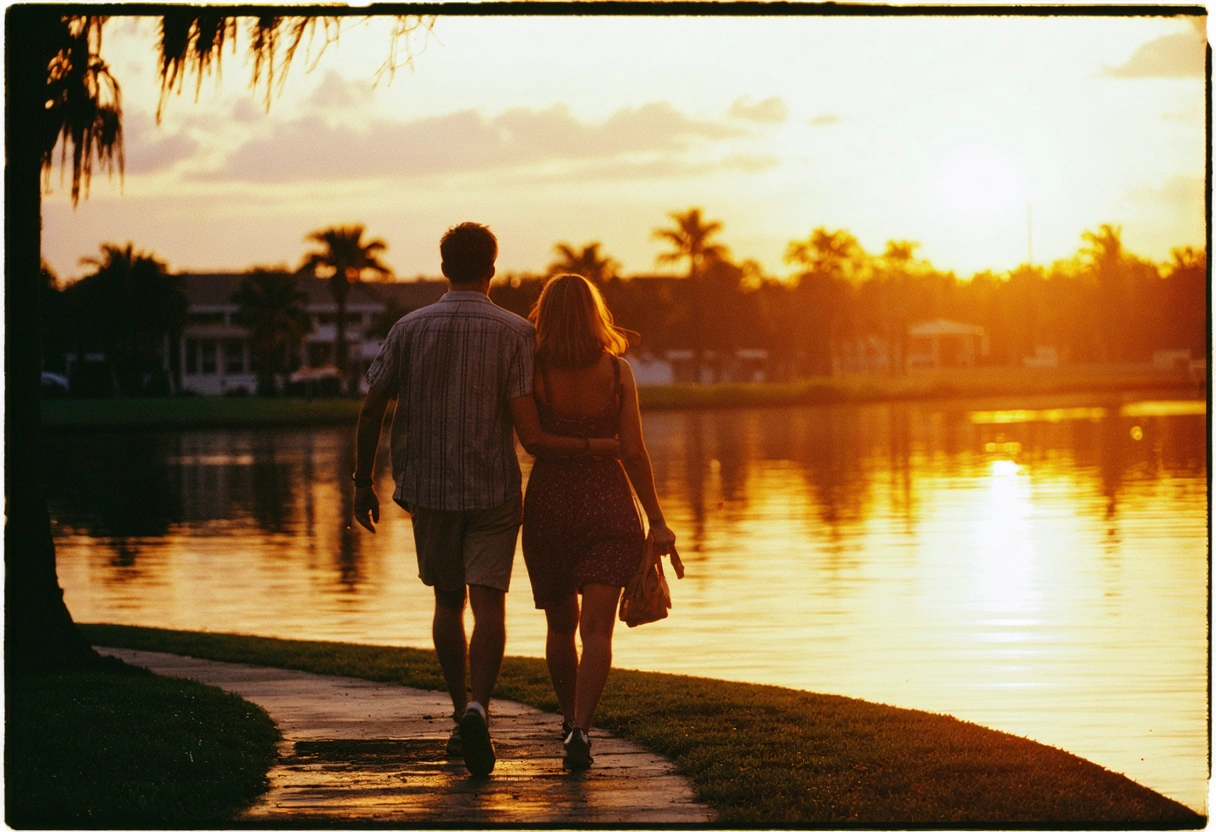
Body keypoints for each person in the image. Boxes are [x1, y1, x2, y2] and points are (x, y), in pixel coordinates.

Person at [352, 225, 616, 777]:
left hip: (428, 489)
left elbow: (372, 405)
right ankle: (478, 705)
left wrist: (361, 481)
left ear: (444, 267)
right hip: (494, 489)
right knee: (489, 601)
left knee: (448, 603)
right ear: (492, 268)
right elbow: (528, 429)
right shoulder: (516, 333)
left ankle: (461, 716)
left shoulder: (408, 327)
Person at [517, 273, 684, 771]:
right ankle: (580, 732)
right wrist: (656, 519)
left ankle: (568, 719)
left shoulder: (531, 370)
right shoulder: (617, 372)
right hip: (607, 503)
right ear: (595, 313)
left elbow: (533, 442)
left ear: (544, 314)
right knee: (597, 631)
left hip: (548, 504)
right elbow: (632, 451)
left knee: (559, 625)